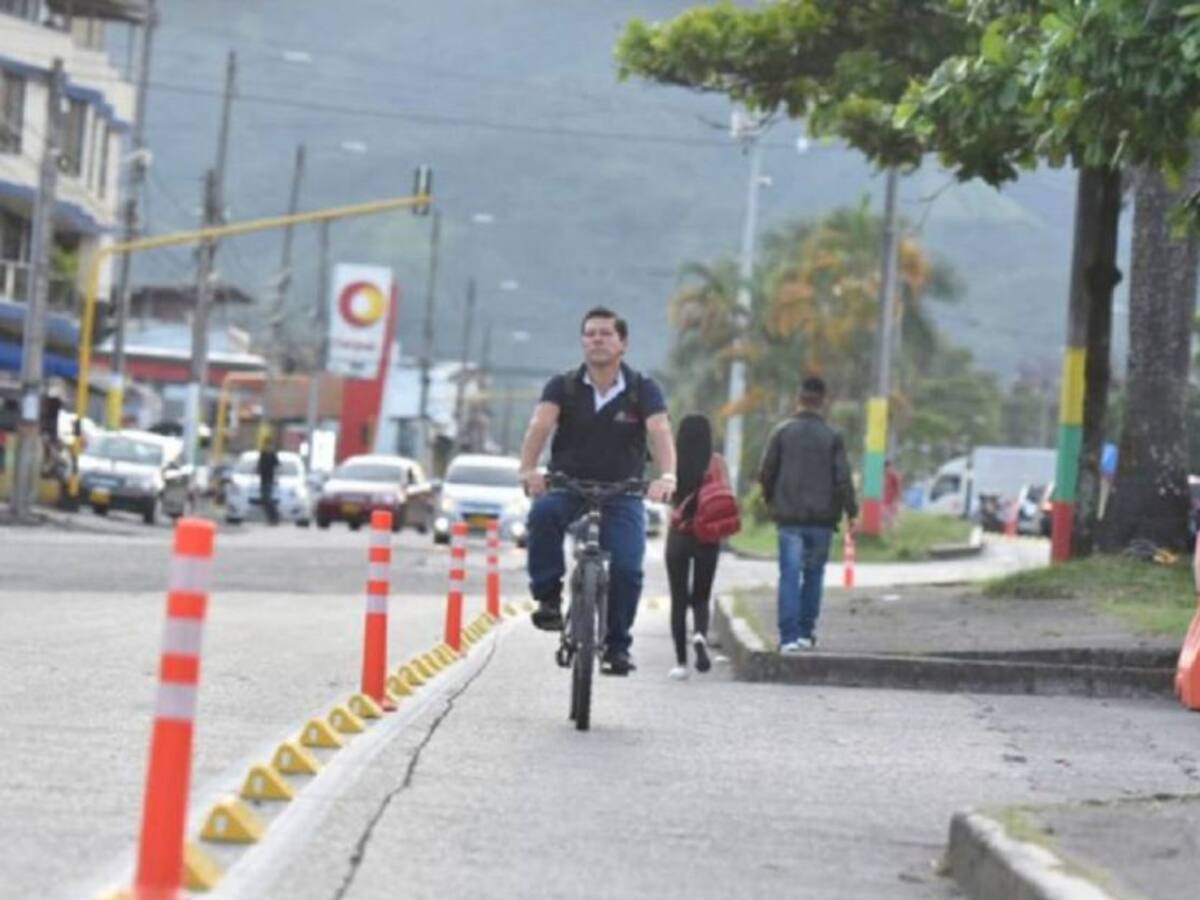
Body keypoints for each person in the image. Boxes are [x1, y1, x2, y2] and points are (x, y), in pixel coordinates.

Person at [518, 306, 676, 676]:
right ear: (582, 342)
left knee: (628, 568)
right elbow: (540, 425)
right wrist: (528, 469)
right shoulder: (563, 385)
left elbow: (659, 430)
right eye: (590, 334)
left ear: (623, 343)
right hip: (568, 484)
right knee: (542, 514)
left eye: (606, 334)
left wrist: (667, 476)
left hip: (623, 491)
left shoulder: (642, 388)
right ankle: (548, 598)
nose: (597, 340)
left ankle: (617, 647)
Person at [757, 375, 857, 653]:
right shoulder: (832, 437)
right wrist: (851, 512)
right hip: (822, 521)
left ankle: (788, 639)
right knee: (814, 575)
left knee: (789, 576)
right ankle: (805, 632)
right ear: (823, 401)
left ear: (798, 398)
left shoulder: (782, 432)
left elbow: (766, 472)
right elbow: (842, 479)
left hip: (789, 520)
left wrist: (772, 502)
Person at [664, 413, 726, 680]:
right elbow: (725, 494)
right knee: (701, 596)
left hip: (679, 534)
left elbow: (666, 495)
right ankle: (700, 635)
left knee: (678, 599)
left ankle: (681, 663)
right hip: (708, 536)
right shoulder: (717, 462)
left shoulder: (673, 462)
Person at [257, 434, 281, 525]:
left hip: (269, 480)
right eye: (266, 444)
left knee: (267, 499)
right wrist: (258, 470)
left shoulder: (272, 454)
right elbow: (259, 466)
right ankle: (272, 518)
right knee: (264, 500)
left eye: (269, 444)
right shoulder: (262, 454)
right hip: (263, 480)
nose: (267, 446)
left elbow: (277, 466)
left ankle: (275, 516)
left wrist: (276, 478)